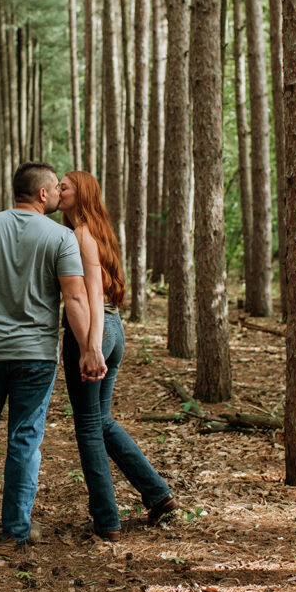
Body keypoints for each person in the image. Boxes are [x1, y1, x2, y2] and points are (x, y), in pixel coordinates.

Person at [0, 161, 99, 547]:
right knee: (24, 439)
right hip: (35, 356)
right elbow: (75, 296)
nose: (60, 196)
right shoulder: (60, 238)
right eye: (56, 190)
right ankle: (15, 531)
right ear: (43, 193)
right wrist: (87, 349)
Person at [58, 170, 176, 542]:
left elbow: (91, 294)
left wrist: (90, 347)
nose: (59, 191)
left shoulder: (80, 234)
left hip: (95, 330)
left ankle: (106, 521)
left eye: (65, 186)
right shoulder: (96, 232)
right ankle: (158, 495)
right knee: (102, 420)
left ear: (82, 194)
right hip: (113, 327)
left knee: (88, 427)